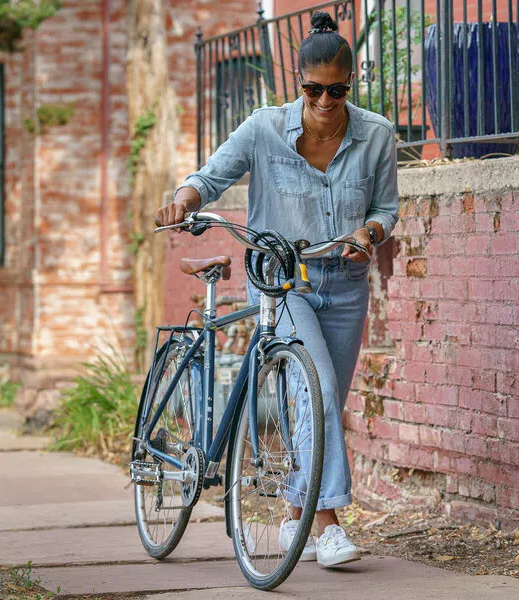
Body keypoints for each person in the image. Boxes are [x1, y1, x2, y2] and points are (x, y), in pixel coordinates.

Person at [156, 11, 399, 567]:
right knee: (310, 387)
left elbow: (386, 207)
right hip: (282, 278)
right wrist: (185, 201)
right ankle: (329, 523)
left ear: (351, 81)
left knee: (320, 401)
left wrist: (370, 230)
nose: (325, 101)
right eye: (314, 89)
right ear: (299, 83)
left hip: (344, 281)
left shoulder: (378, 134)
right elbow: (210, 176)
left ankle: (295, 514)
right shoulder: (263, 127)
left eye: (336, 90)